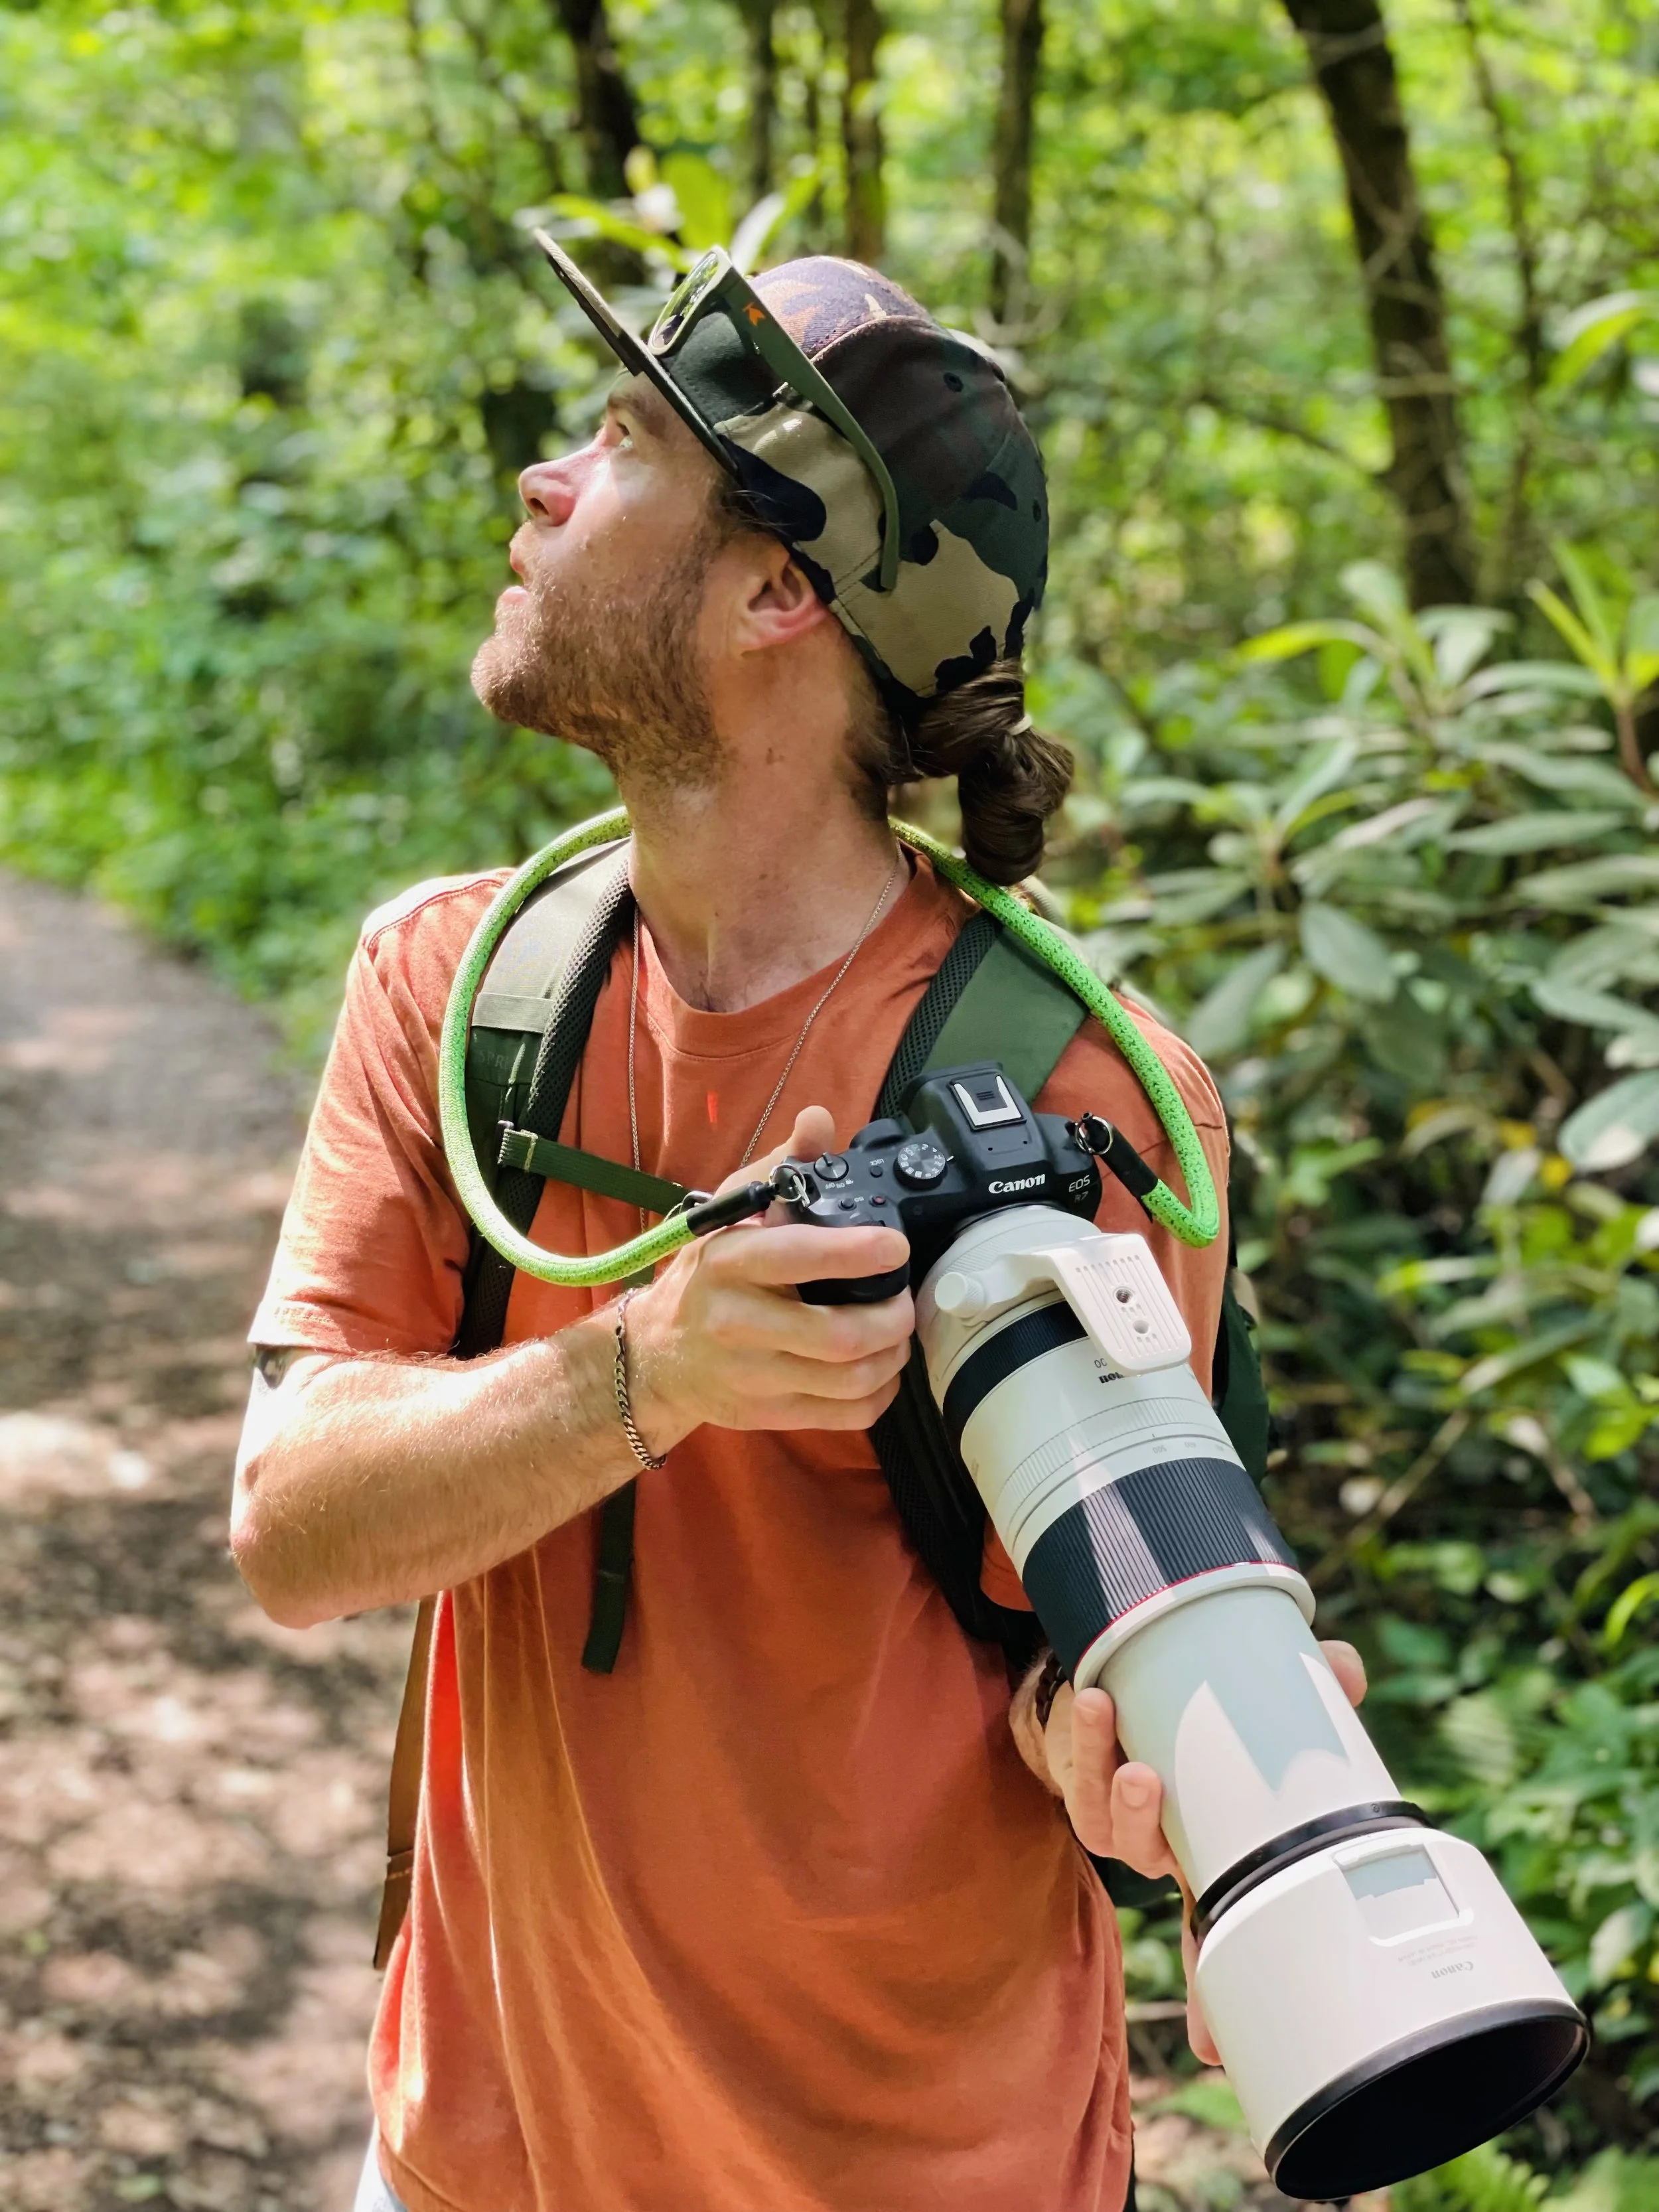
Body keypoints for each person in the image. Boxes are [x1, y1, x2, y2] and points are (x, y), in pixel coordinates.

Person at [232, 245, 1364, 2212]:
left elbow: (1073, 1670)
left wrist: (1136, 1774)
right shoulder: (455, 983)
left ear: (779, 587)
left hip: (932, 2165)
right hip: (484, 2148)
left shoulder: (1089, 1090)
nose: (539, 486)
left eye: (613, 443)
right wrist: (642, 1370)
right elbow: (293, 1524)